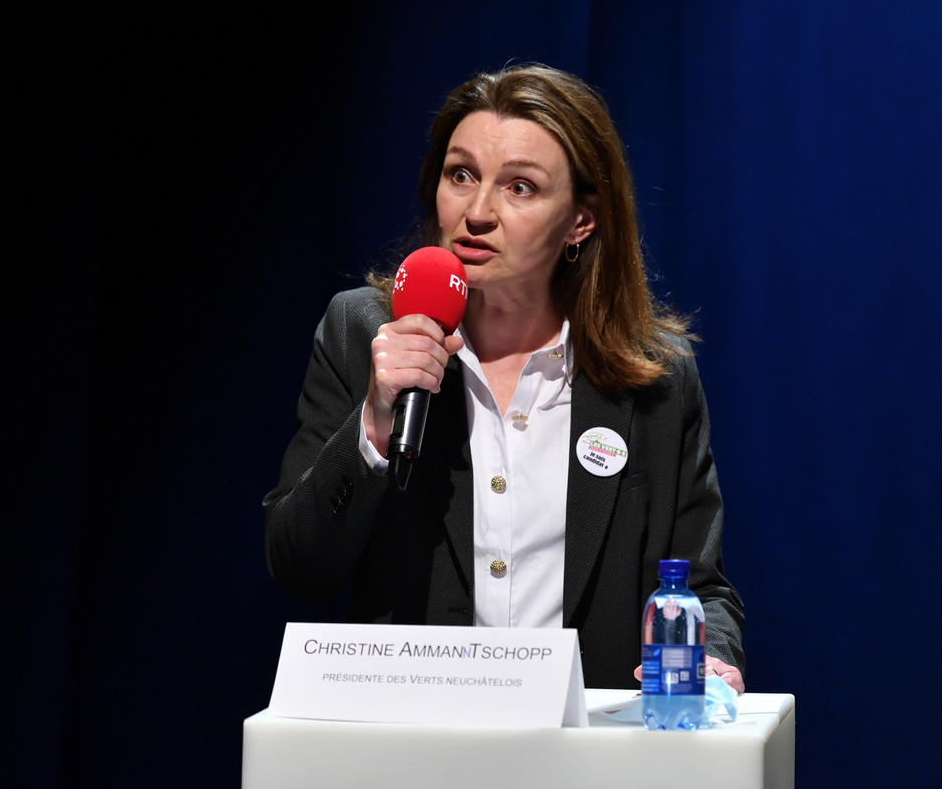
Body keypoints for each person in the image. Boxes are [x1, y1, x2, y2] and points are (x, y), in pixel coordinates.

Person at [263, 63, 744, 692]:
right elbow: (297, 565)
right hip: (412, 730)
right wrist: (374, 425)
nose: (478, 211)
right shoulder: (361, 334)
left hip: (584, 737)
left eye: (520, 187)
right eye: (460, 175)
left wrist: (712, 658)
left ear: (581, 220)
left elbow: (701, 588)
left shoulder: (656, 375)